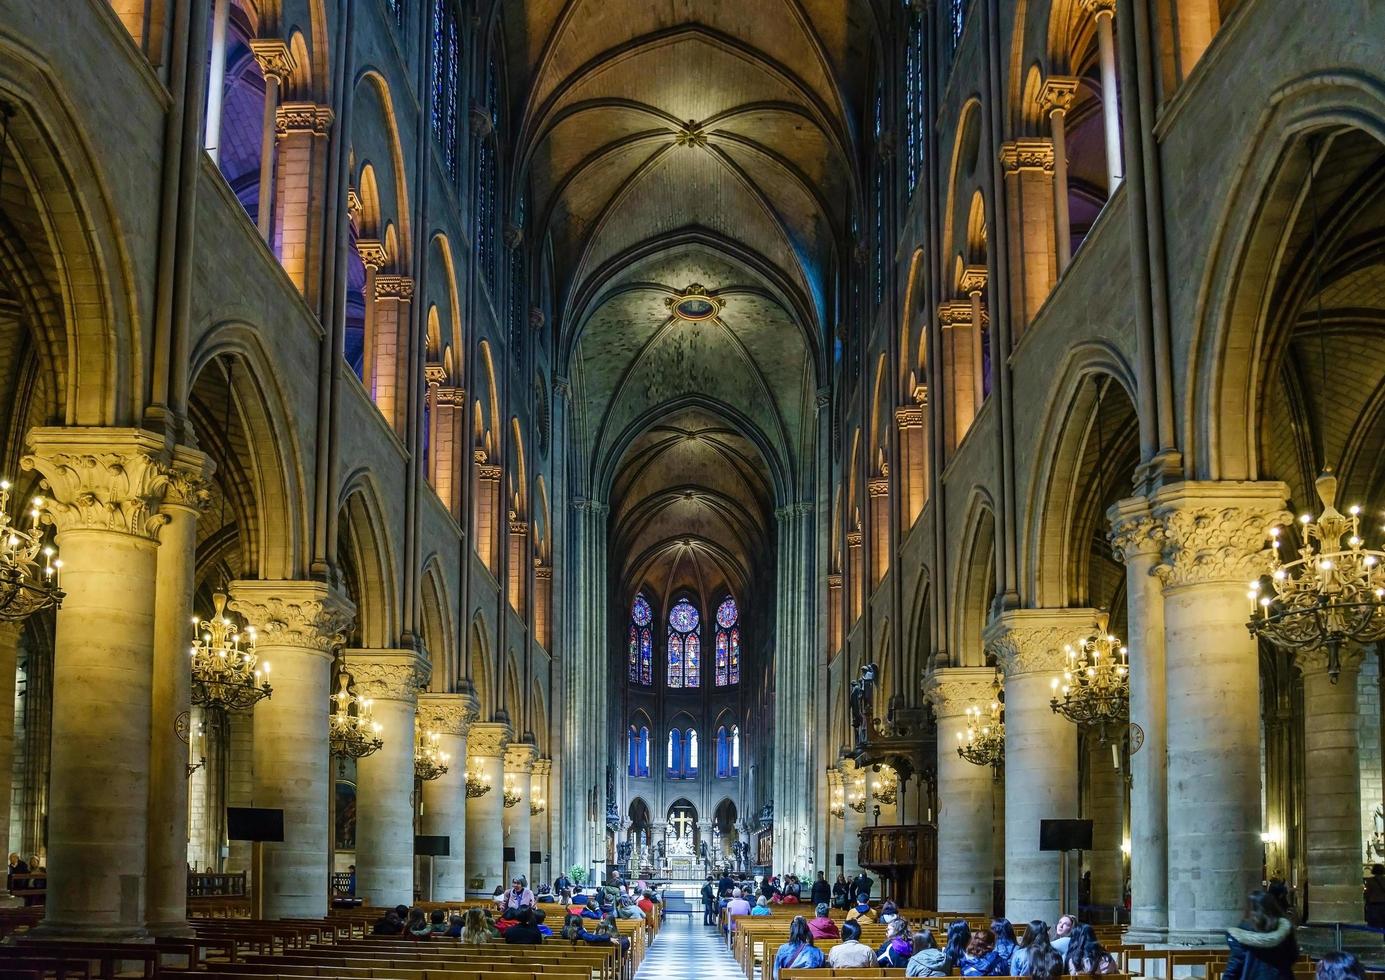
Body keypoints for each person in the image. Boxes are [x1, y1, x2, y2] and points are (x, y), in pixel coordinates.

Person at [1220, 889, 1298, 980]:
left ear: (1250, 909)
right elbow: (1293, 955)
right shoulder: (1284, 929)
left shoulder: (1242, 932)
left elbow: (1235, 965)